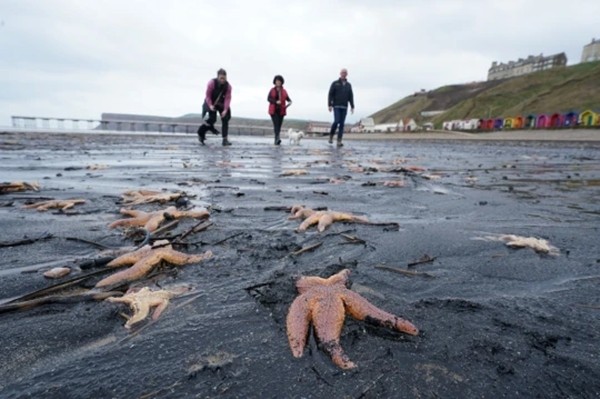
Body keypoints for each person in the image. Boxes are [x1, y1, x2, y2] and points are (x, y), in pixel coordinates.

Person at [197, 68, 232, 146]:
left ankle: (225, 139)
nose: (223, 80)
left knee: (225, 118)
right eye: (221, 78)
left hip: (220, 103)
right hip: (210, 102)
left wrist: (225, 109)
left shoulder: (228, 86)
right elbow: (208, 96)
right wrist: (210, 105)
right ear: (218, 77)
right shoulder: (211, 83)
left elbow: (227, 98)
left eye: (224, 78)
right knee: (212, 119)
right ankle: (200, 133)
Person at [327, 68, 355, 147]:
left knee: (342, 124)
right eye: (342, 72)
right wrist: (330, 105)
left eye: (345, 73)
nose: (344, 74)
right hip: (336, 106)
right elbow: (330, 94)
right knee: (336, 121)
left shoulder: (349, 85)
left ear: (347, 74)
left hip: (344, 106)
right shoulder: (335, 83)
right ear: (340, 73)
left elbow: (351, 96)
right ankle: (331, 136)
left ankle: (339, 141)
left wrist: (352, 106)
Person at [267, 75, 292, 145]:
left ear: (281, 82)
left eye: (279, 81)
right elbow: (268, 99)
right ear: (274, 82)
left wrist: (290, 101)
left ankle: (276, 139)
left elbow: (288, 98)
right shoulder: (272, 90)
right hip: (273, 110)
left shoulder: (284, 91)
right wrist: (275, 101)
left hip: (281, 110)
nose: (278, 82)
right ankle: (277, 138)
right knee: (276, 124)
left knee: (279, 125)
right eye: (277, 81)